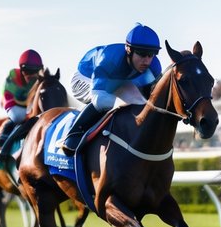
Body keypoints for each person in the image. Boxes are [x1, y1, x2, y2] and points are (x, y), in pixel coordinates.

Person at [60, 23, 163, 156]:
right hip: (84, 79)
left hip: (118, 81)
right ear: (129, 50)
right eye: (142, 54)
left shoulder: (154, 66)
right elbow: (99, 100)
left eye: (152, 54)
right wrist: (131, 101)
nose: (147, 61)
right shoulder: (108, 60)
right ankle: (73, 135)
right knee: (107, 101)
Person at [0, 49, 45, 163]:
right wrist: (28, 113)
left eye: (34, 71)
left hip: (28, 105)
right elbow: (10, 97)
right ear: (21, 69)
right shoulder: (13, 76)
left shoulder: (41, 77)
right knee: (17, 117)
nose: (30, 75)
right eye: (26, 71)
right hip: (12, 101)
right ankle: (0, 144)